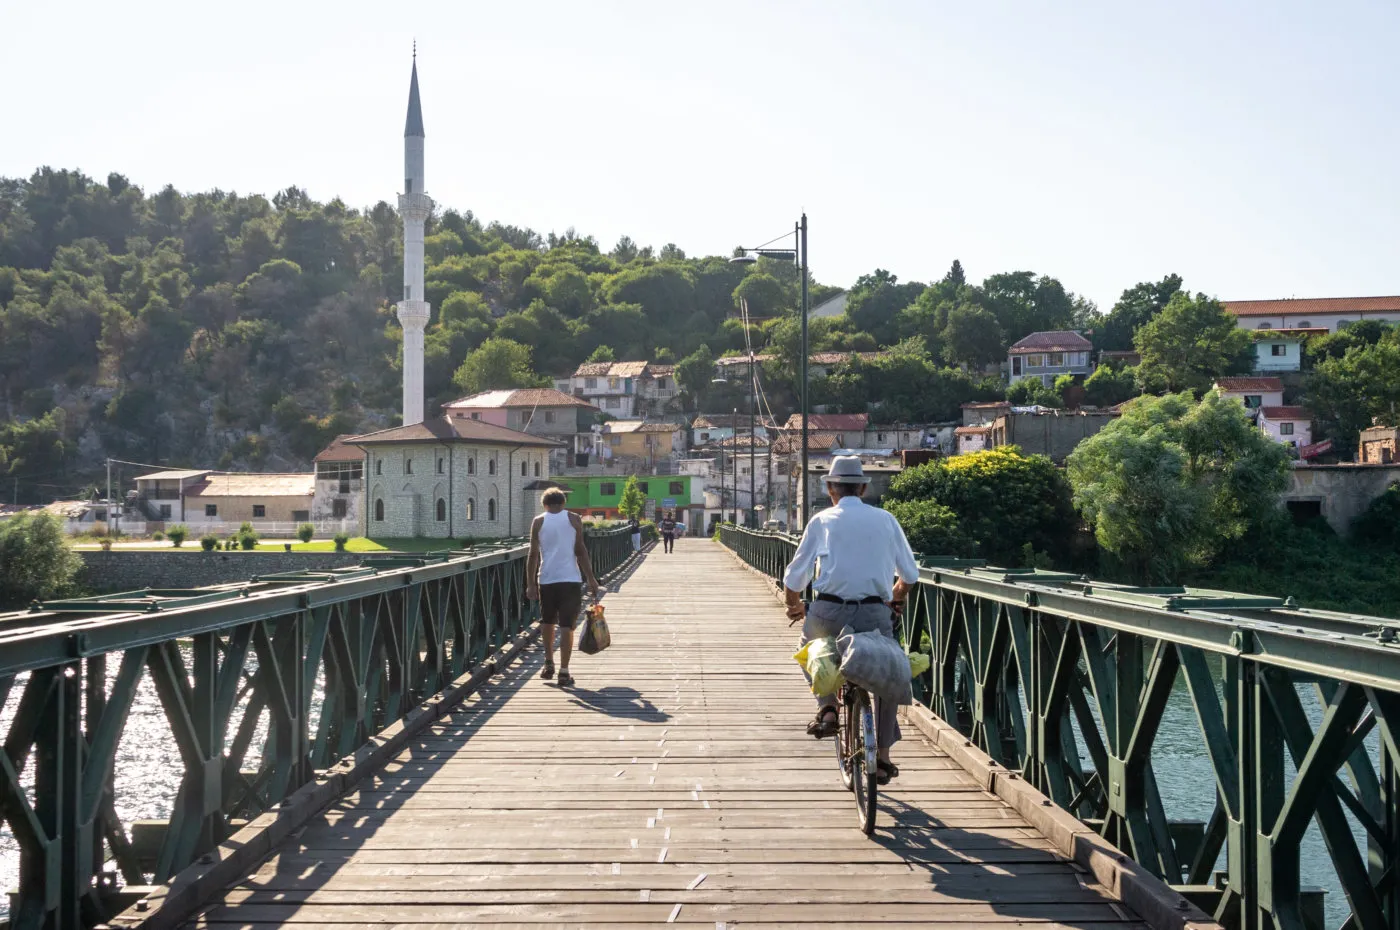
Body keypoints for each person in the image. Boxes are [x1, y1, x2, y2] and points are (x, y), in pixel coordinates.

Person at [782, 456, 919, 785]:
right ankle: (883, 758)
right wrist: (896, 598)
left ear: (830, 488)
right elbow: (910, 575)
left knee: (809, 647)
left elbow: (794, 578)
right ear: (862, 488)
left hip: (829, 611)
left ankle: (828, 708)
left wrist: (795, 606)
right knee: (887, 671)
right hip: (874, 612)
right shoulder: (886, 520)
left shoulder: (822, 520)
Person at [526, 488, 601, 688]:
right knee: (567, 625)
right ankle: (564, 671)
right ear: (563, 502)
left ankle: (548, 661)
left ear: (545, 504)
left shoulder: (538, 521)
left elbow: (533, 554)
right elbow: (580, 551)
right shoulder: (574, 519)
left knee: (547, 621)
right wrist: (591, 579)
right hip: (570, 579)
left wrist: (530, 583)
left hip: (547, 579)